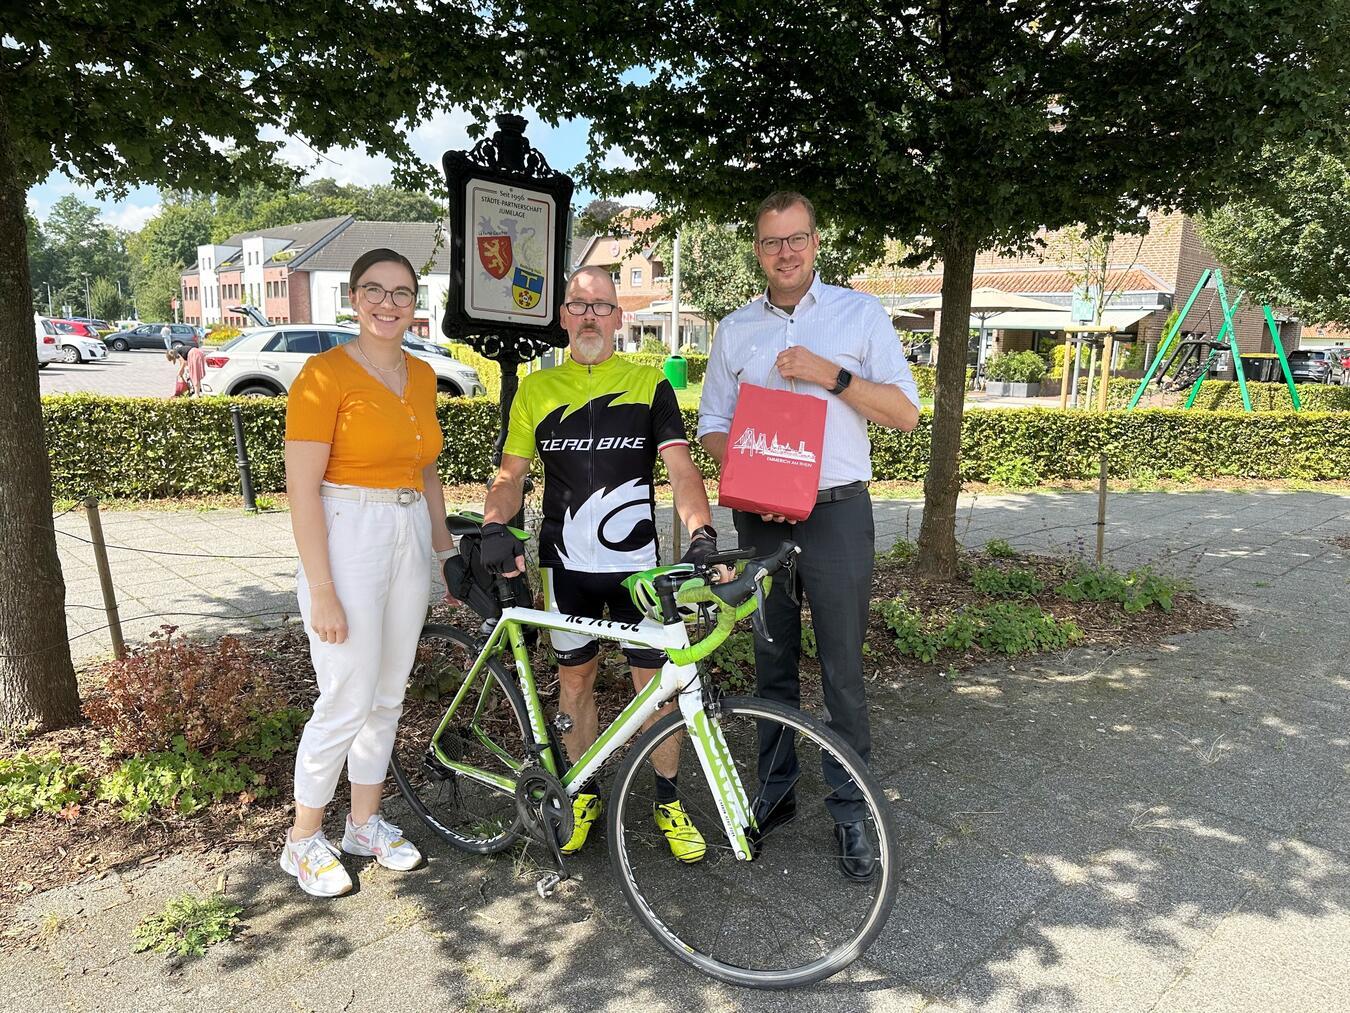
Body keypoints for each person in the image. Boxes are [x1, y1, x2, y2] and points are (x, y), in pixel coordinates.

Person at [697, 191, 920, 880]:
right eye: (770, 242)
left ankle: (851, 808)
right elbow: (710, 423)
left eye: (795, 239)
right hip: (761, 517)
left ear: (816, 242)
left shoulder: (859, 314)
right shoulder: (735, 330)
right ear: (757, 250)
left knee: (843, 671)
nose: (784, 252)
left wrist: (832, 375)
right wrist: (747, 461)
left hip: (837, 514)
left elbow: (906, 414)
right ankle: (777, 788)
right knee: (770, 663)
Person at [479, 265, 720, 863]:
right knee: (575, 681)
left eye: (601, 306)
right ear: (563, 316)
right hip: (566, 570)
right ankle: (581, 790)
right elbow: (511, 476)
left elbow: (683, 470)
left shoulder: (648, 386)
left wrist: (703, 532)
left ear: (618, 317)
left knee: (655, 689)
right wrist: (492, 525)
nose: (589, 315)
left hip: (638, 571)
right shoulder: (535, 391)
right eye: (578, 305)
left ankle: (667, 799)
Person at [281, 248, 459, 897]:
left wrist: (443, 547)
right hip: (346, 529)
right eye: (374, 290)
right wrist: (321, 586)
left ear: (417, 302)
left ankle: (362, 823)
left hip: (407, 529)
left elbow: (425, 468)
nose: (389, 303)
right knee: (346, 695)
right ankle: (302, 838)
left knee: (388, 693)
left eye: (402, 292)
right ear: (353, 299)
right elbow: (301, 488)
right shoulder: (323, 375)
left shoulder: (422, 376)